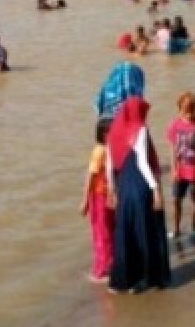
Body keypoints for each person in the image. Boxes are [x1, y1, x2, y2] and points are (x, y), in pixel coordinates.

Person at [106, 96, 171, 293]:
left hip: (124, 188)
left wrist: (112, 189)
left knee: (126, 234)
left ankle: (123, 281)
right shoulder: (140, 129)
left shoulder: (112, 132)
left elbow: (109, 165)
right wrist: (156, 189)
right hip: (141, 187)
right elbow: (143, 163)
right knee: (147, 232)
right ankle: (149, 277)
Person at [80, 117, 115, 282]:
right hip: (99, 196)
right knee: (102, 232)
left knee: (108, 230)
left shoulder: (109, 148)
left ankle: (109, 264)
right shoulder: (100, 151)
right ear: (104, 133)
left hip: (108, 195)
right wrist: (85, 200)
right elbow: (91, 176)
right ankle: (101, 268)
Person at [166, 93, 195, 240]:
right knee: (175, 200)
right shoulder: (175, 125)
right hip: (180, 170)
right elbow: (173, 148)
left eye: (191, 110)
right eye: (184, 110)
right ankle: (176, 229)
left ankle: (194, 226)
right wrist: (174, 168)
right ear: (179, 109)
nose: (188, 114)